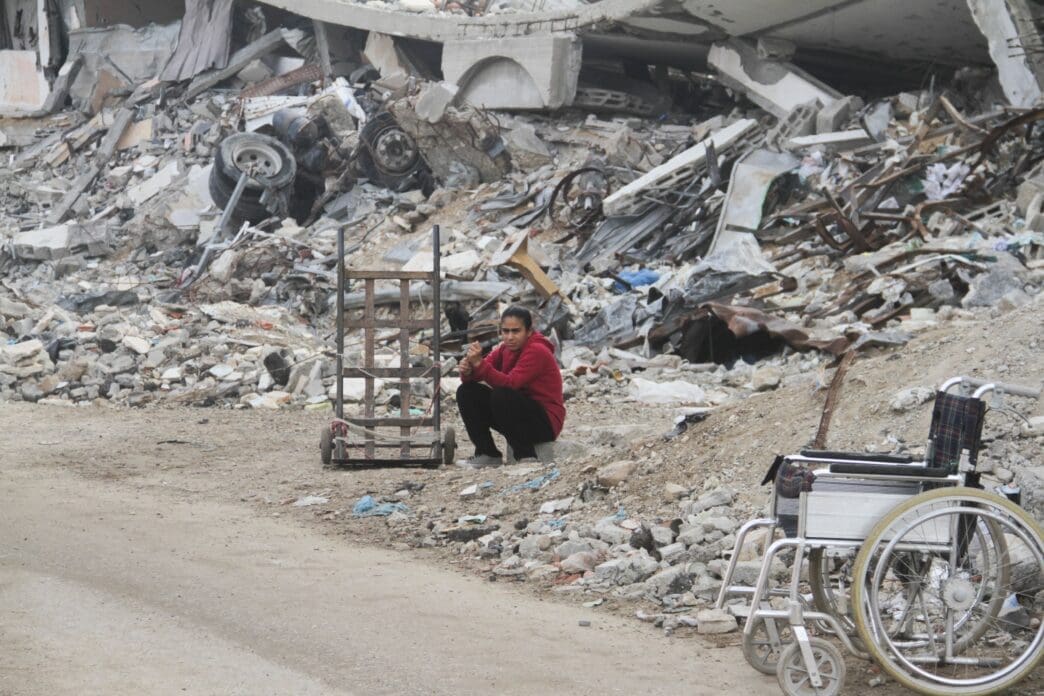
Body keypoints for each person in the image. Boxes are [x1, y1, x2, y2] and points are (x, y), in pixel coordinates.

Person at [456, 306, 564, 468]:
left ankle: (526, 456)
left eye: (515, 331)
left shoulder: (537, 350)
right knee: (467, 392)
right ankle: (487, 453)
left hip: (545, 421)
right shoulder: (504, 349)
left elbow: (510, 383)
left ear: (528, 331)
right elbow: (481, 372)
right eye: (505, 331)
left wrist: (479, 364)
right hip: (517, 415)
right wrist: (469, 369)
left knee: (502, 394)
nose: (510, 337)